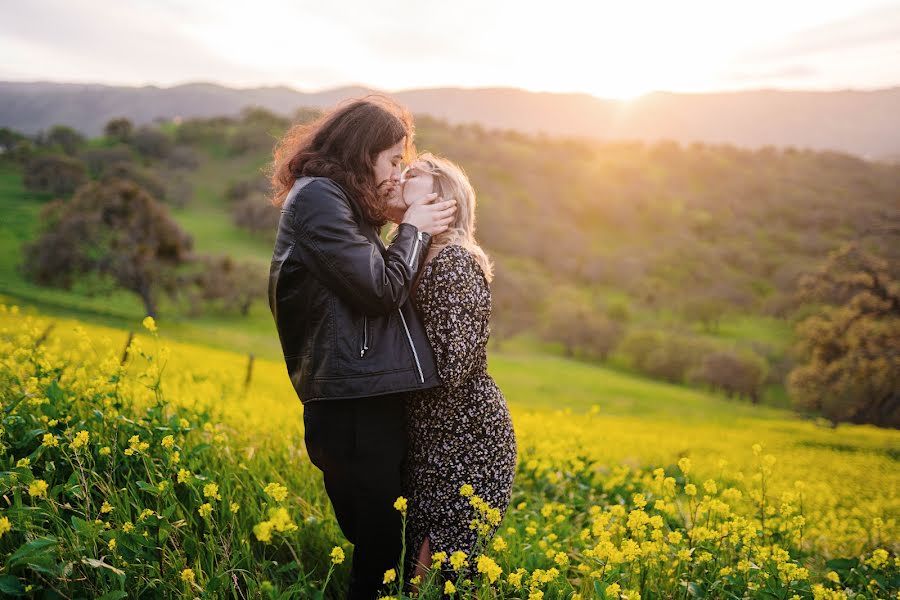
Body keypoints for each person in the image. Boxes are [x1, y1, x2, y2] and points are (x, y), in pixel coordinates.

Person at [267, 97, 457, 599]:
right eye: (393, 160)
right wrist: (413, 226)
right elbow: (379, 291)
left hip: (362, 395)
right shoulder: (317, 200)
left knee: (381, 546)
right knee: (377, 552)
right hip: (351, 402)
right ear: (362, 150)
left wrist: (394, 217)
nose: (397, 172)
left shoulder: (337, 201)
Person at [395, 153, 517, 583]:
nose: (399, 176)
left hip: (466, 437)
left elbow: (455, 364)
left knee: (435, 566)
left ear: (442, 198)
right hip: (431, 434)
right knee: (420, 559)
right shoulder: (412, 253)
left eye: (412, 174)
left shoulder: (453, 263)